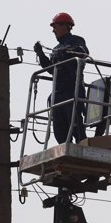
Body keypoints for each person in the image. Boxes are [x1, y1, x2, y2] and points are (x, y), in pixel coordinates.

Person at [34, 12, 89, 144]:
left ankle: (83, 147)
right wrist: (41, 54)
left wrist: (68, 52)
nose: (53, 30)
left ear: (66, 26)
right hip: (59, 94)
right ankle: (66, 149)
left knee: (75, 124)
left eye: (55, 26)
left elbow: (83, 52)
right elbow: (50, 69)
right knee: (59, 130)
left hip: (72, 91)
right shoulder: (55, 49)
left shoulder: (76, 40)